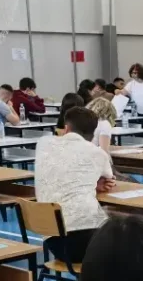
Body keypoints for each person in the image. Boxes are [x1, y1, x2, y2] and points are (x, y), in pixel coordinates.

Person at [34, 107, 115, 263]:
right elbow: (109, 177)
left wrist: (91, 182)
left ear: (66, 129)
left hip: (52, 240)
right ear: (93, 134)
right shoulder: (97, 153)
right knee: (128, 239)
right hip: (84, 242)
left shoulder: (43, 144)